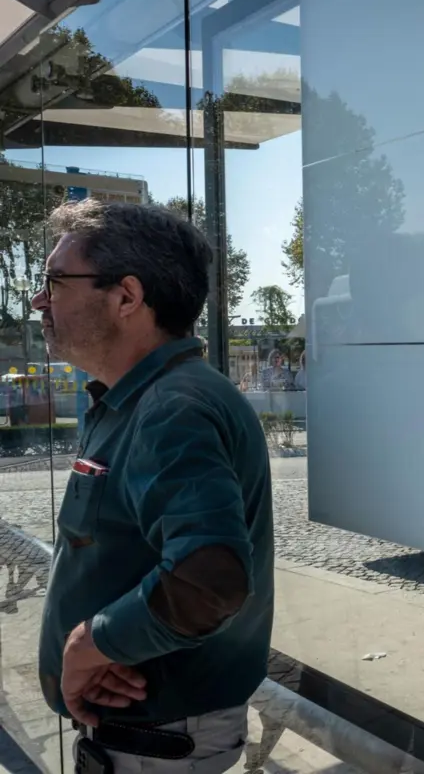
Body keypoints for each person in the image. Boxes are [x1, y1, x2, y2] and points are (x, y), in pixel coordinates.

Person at [33, 199, 273, 774]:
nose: (40, 300)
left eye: (56, 281)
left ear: (127, 297)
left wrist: (92, 643)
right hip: (149, 733)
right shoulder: (148, 397)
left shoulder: (172, 407)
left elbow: (208, 581)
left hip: (156, 741)